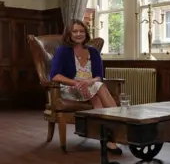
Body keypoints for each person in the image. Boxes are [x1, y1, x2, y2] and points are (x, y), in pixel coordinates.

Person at [49, 19, 122, 155]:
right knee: (99, 88)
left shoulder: (93, 52)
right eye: (75, 31)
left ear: (86, 33)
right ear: (69, 34)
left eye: (81, 31)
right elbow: (55, 76)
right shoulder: (62, 51)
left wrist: (88, 82)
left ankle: (108, 139)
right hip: (70, 88)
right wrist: (76, 83)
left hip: (90, 86)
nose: (78, 34)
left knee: (97, 95)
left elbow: (99, 76)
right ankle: (118, 128)